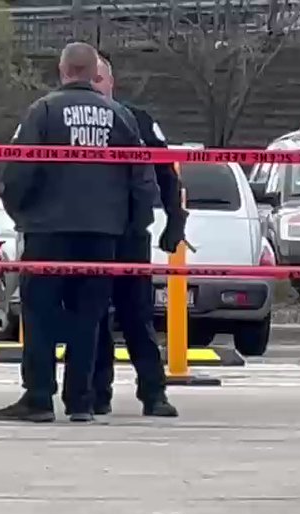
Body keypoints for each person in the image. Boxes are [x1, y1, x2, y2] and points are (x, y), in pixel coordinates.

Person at [0, 42, 159, 424]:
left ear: (63, 69)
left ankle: (38, 397)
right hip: (102, 233)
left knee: (39, 314)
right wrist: (128, 227)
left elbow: (19, 171)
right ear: (91, 72)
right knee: (89, 317)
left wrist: (21, 213)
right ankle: (81, 400)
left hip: (49, 230)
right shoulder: (120, 116)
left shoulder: (44, 111)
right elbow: (142, 180)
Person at [89, 49, 182, 418]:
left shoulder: (138, 121)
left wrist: (176, 221)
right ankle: (98, 393)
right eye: (89, 78)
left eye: (99, 79)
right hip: (90, 234)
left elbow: (167, 175)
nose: (94, 87)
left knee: (137, 317)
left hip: (129, 234)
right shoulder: (65, 118)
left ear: (111, 82)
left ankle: (154, 393)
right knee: (92, 317)